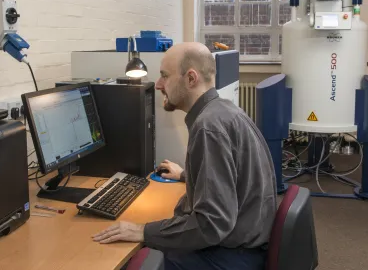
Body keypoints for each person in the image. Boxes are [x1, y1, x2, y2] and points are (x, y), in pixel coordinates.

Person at [93, 42, 277, 270]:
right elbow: (232, 179)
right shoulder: (224, 111)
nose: (158, 85)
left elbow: (212, 224)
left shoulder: (208, 127)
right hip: (246, 242)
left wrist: (142, 230)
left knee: (135, 260)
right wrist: (185, 175)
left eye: (164, 76)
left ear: (191, 79)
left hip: (232, 256)